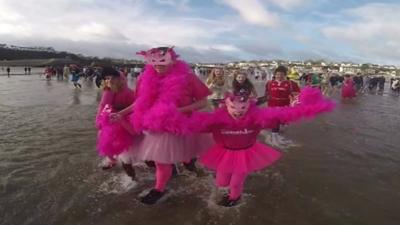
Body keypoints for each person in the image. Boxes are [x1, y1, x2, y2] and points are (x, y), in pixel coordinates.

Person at [191, 87, 335, 207]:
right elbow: (190, 125)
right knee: (221, 182)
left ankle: (234, 199)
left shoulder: (257, 119)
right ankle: (226, 192)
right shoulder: (216, 121)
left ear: (249, 106)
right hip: (224, 153)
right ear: (226, 105)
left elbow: (284, 115)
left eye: (243, 108)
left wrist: (306, 107)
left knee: (235, 184)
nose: (238, 111)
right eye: (233, 107)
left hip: (245, 153)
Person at [114, 47, 212, 204]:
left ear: (173, 60)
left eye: (163, 61)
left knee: (187, 158)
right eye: (154, 61)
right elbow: (140, 102)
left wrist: (179, 110)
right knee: (162, 160)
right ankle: (159, 188)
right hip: (157, 128)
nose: (158, 65)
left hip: (182, 126)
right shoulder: (144, 78)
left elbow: (203, 102)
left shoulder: (188, 78)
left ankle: (190, 168)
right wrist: (121, 114)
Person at [95, 67, 136, 178]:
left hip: (127, 121)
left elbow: (137, 107)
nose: (110, 80)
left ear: (121, 79)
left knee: (127, 151)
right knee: (103, 140)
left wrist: (121, 116)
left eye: (112, 78)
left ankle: (133, 178)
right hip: (113, 119)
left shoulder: (128, 92)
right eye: (107, 78)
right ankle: (113, 160)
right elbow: (104, 105)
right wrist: (99, 118)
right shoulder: (108, 91)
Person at [265, 65, 300, 147]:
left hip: (285, 105)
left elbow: (297, 95)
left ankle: (281, 125)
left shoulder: (291, 83)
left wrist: (296, 101)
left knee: (282, 121)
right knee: (274, 121)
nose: (279, 76)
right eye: (277, 74)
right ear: (275, 74)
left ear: (285, 75)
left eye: (281, 74)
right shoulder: (269, 83)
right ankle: (274, 136)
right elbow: (266, 94)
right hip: (272, 105)